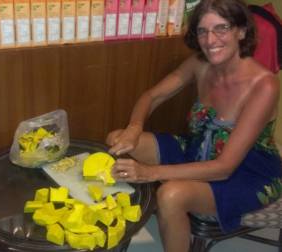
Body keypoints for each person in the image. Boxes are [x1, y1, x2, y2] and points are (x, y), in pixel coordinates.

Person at [105, 0, 282, 251]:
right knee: (117, 140)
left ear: (241, 31)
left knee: (171, 195)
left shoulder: (264, 86)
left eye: (221, 28)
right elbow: (152, 96)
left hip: (247, 171)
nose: (210, 40)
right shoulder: (200, 64)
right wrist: (134, 128)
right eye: (202, 31)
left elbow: (224, 168)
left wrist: (149, 172)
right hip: (197, 149)